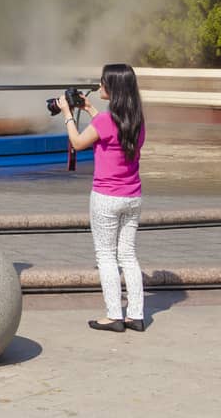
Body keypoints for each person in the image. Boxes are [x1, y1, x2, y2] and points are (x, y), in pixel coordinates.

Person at [65, 63, 147, 332]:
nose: (99, 86)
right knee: (128, 255)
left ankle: (114, 315)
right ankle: (136, 315)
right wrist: (89, 109)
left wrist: (67, 115)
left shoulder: (104, 121)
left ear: (112, 88)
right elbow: (112, 128)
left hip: (106, 197)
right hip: (132, 196)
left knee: (106, 256)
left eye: (102, 83)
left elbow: (77, 142)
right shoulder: (136, 119)